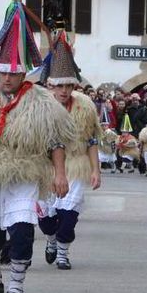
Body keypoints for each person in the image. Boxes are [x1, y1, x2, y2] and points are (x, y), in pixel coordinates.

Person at [0, 0, 73, 293]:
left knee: (23, 229)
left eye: (13, 73)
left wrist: (60, 173)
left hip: (25, 172)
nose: (8, 78)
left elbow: (55, 139)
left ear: (24, 72)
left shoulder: (42, 102)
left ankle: (17, 282)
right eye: (3, 72)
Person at [34, 24, 101, 271]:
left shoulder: (85, 106)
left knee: (69, 215)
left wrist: (95, 170)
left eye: (68, 86)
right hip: (45, 168)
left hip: (76, 165)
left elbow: (92, 140)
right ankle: (51, 240)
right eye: (59, 86)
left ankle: (63, 251)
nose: (64, 91)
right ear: (50, 85)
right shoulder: (39, 106)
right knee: (47, 220)